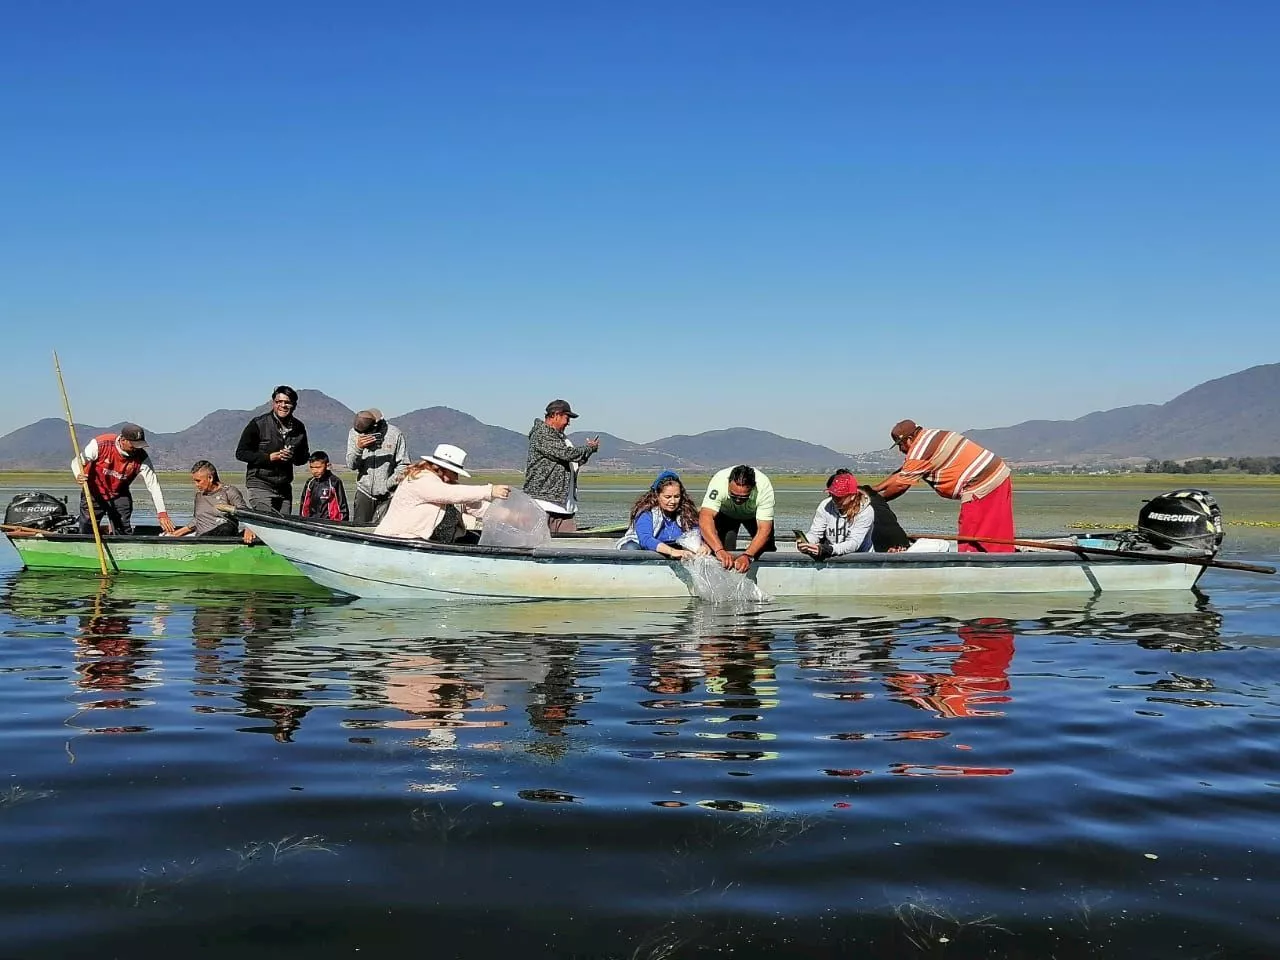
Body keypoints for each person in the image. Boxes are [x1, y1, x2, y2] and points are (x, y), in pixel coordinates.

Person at [874, 419, 1014, 553]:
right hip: (997, 475)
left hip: (982, 483)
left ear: (909, 439)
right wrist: (875, 489)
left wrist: (875, 501)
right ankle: (1003, 556)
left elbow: (900, 485)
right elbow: (902, 473)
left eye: (900, 444)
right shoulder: (930, 437)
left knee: (972, 533)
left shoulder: (919, 452)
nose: (901, 450)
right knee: (997, 530)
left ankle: (976, 564)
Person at [375, 443, 512, 544]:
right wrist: (489, 490)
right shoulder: (420, 479)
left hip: (440, 545)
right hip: (402, 541)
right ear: (440, 468)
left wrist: (511, 516)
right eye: (454, 473)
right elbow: (447, 493)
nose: (456, 478)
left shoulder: (447, 486)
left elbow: (477, 506)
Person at [70, 423, 175, 535]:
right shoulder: (100, 444)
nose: (136, 449)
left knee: (122, 529)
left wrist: (162, 513)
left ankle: (122, 546)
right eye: (133, 445)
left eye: (139, 445)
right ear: (123, 440)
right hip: (93, 492)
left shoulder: (142, 458)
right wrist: (78, 475)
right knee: (87, 527)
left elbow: (154, 486)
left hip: (120, 494)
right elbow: (77, 461)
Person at [523, 399, 599, 533]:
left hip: (564, 507)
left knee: (567, 548)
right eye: (567, 417)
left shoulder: (562, 439)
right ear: (555, 415)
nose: (568, 423)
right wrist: (589, 449)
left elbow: (574, 460)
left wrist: (587, 453)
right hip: (544, 505)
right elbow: (567, 454)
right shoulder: (542, 434)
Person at [235, 385, 309, 515]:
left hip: (284, 487)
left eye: (287, 402)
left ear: (294, 405)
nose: (283, 405)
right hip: (260, 483)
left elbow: (303, 457)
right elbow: (241, 453)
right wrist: (269, 458)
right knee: (267, 523)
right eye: (279, 402)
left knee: (284, 527)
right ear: (273, 403)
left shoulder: (299, 427)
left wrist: (292, 456)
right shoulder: (258, 424)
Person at [698, 464, 776, 573]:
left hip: (753, 515)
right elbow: (705, 517)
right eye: (734, 496)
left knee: (767, 548)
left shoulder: (764, 487)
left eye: (743, 497)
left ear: (753, 488)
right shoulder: (719, 481)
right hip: (726, 514)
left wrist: (748, 555)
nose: (738, 500)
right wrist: (719, 550)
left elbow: (764, 530)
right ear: (728, 484)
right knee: (724, 551)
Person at [616, 470, 709, 559]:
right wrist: (673, 552)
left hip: (673, 547)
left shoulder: (686, 513)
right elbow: (646, 539)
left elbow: (697, 532)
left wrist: (703, 546)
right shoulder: (646, 513)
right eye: (667, 497)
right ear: (657, 496)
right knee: (631, 549)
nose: (672, 501)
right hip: (641, 546)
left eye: (677, 497)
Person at [345, 408, 410, 524]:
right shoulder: (354, 434)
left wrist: (388, 484)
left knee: (385, 531)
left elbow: (404, 465)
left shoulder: (395, 434)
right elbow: (351, 465)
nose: (364, 434)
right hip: (364, 492)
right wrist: (358, 448)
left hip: (389, 495)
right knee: (360, 529)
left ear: (375, 426)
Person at [168, 460, 255, 542]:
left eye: (198, 481)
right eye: (194, 481)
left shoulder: (229, 492)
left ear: (210, 478)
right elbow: (197, 520)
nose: (196, 485)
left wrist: (250, 528)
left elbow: (244, 512)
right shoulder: (199, 496)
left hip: (223, 537)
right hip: (201, 539)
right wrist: (174, 534)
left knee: (226, 527)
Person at [799, 471, 876, 559]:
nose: (835, 499)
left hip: (861, 559)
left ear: (852, 496)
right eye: (832, 495)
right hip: (832, 555)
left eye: (839, 497)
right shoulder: (825, 505)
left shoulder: (866, 511)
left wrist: (828, 550)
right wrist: (806, 542)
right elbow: (815, 533)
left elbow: (854, 543)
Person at [298, 451, 350, 521]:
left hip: (330, 523)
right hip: (312, 522)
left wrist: (342, 524)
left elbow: (342, 506)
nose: (315, 471)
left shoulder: (334, 482)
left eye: (318, 467)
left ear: (327, 466)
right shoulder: (310, 483)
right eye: (312, 467)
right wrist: (303, 521)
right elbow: (304, 505)